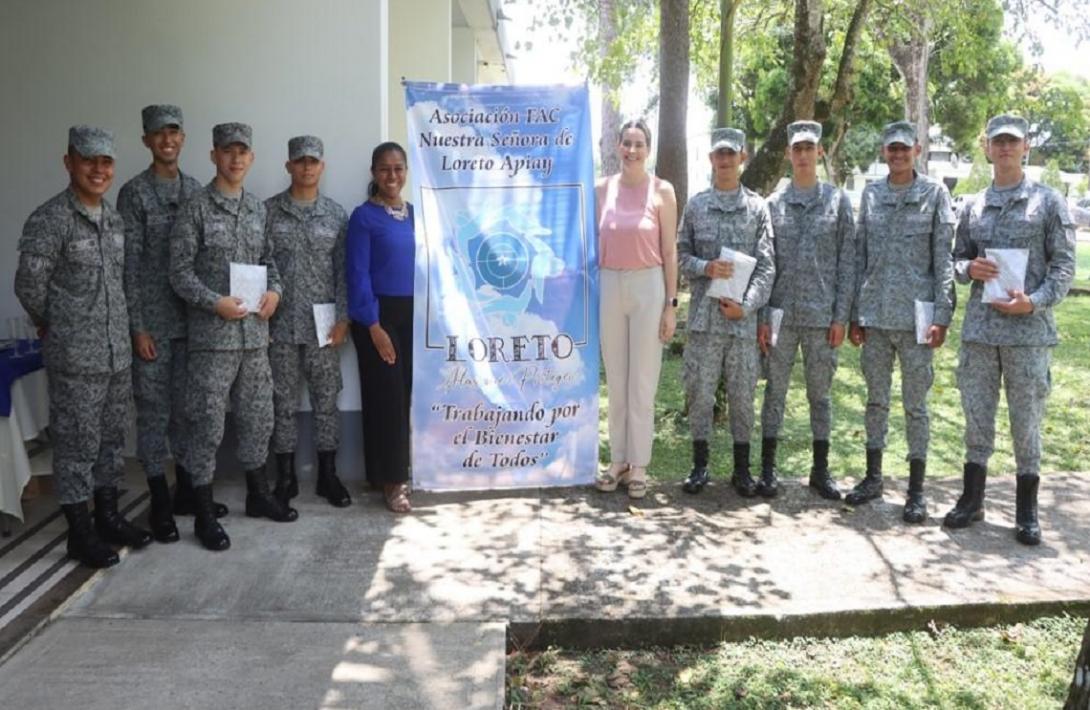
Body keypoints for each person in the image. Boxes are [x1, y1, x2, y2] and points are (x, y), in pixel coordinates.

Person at [15, 126, 151, 568]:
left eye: (106, 161)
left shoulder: (113, 219)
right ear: (69, 162)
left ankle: (108, 516)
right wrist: (60, 325)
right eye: (88, 159)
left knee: (111, 440)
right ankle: (79, 532)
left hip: (114, 355)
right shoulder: (50, 219)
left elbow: (121, 284)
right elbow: (29, 286)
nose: (98, 169)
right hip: (75, 357)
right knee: (76, 445)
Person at [944, 114, 1076, 545]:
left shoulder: (1048, 202)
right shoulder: (973, 204)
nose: (1004, 148)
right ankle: (972, 499)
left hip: (1028, 332)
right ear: (986, 147)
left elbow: (1064, 266)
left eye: (1012, 142)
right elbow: (956, 261)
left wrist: (1034, 301)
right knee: (976, 418)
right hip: (981, 332)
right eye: (997, 141)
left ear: (1026, 148)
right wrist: (969, 267)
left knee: (1026, 421)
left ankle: (1027, 511)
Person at [170, 122, 296, 552]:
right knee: (206, 424)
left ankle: (258, 495)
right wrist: (213, 303)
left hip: (255, 339)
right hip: (213, 338)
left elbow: (270, 263)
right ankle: (204, 513)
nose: (236, 159)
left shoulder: (258, 210)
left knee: (258, 418)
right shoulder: (196, 208)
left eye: (243, 151)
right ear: (213, 156)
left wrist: (276, 292)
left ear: (252, 158)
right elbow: (179, 273)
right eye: (228, 151)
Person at [118, 104, 227, 544]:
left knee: (190, 412)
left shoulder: (198, 192)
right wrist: (137, 327)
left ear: (183, 139)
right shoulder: (134, 194)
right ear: (146, 140)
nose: (167, 140)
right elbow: (129, 267)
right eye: (158, 133)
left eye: (174, 132)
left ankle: (187, 491)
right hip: (155, 326)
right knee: (154, 413)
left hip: (195, 325)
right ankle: (159, 499)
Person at [847, 120, 955, 523]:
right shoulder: (871, 195)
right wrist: (855, 313)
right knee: (875, 401)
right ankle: (873, 477)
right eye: (891, 149)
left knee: (915, 406)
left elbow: (943, 260)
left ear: (917, 151)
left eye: (904, 149)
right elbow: (860, 257)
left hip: (917, 320)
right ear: (883, 151)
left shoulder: (934, 194)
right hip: (874, 316)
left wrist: (942, 314)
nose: (897, 155)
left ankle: (915, 490)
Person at [758, 121, 855, 500]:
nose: (802, 155)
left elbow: (848, 262)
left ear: (820, 152)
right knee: (775, 394)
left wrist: (840, 317)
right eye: (796, 149)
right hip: (781, 314)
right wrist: (764, 316)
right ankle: (768, 469)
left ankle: (820, 469)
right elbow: (766, 266)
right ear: (788, 154)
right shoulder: (773, 205)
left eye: (808, 148)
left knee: (820, 395)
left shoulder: (837, 201)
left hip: (820, 317)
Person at [678, 127, 775, 496]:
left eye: (731, 154)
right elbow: (681, 255)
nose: (725, 160)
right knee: (700, 395)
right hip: (704, 321)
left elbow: (767, 266)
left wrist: (747, 306)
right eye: (719, 154)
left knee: (741, 397)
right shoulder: (696, 205)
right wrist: (706, 268)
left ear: (742, 158)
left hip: (741, 323)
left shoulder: (757, 208)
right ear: (711, 159)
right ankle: (700, 465)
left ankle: (741, 469)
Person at [594, 119, 678, 499]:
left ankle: (640, 464)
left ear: (649, 148)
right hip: (610, 284)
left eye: (639, 143)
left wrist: (670, 306)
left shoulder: (663, 191)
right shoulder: (602, 189)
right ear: (617, 146)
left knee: (643, 381)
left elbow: (670, 252)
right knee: (617, 379)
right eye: (626, 143)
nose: (632, 150)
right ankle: (618, 460)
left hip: (649, 285)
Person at [265, 135, 351, 508]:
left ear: (322, 166)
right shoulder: (267, 212)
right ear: (288, 166)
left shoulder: (335, 215)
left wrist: (344, 319)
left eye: (313, 161)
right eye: (299, 161)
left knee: (325, 400)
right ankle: (285, 479)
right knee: (281, 401)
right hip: (279, 325)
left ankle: (327, 476)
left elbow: (343, 273)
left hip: (324, 324)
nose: (306, 167)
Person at [346, 142, 415, 513]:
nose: (393, 176)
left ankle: (385, 472)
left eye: (399, 168)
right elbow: (356, 276)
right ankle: (393, 481)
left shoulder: (417, 215)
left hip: (413, 316)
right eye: (385, 169)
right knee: (387, 400)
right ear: (374, 173)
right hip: (378, 316)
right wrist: (372, 325)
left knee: (405, 397)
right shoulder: (363, 217)